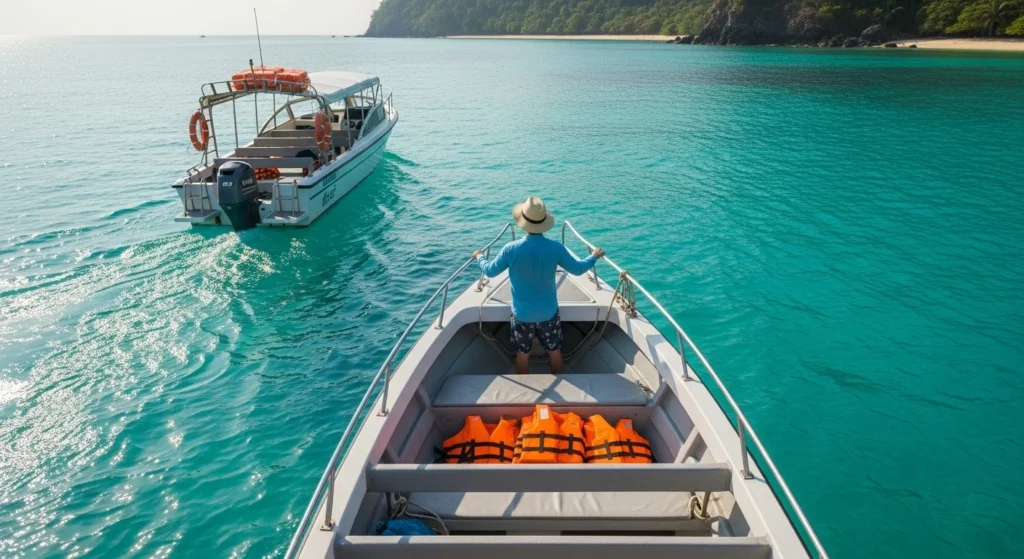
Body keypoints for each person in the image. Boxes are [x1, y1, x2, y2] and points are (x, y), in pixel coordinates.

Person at [473, 197, 605, 375]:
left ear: (523, 222)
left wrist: (479, 256)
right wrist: (594, 256)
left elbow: (489, 271)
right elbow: (578, 269)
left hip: (521, 315)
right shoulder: (555, 248)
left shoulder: (510, 249)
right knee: (555, 352)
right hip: (548, 313)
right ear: (544, 223)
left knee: (522, 354)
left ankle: (524, 393)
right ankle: (561, 389)